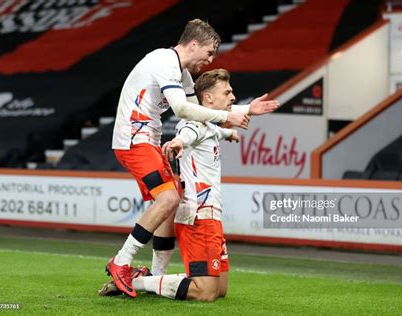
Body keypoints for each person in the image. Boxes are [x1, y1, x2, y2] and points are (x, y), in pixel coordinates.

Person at [108, 19, 279, 298]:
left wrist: (247, 109)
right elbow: (183, 111)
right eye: (209, 53)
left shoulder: (183, 76)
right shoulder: (164, 61)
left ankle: (156, 275)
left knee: (168, 203)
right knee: (169, 200)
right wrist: (227, 118)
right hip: (133, 138)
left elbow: (199, 109)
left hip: (147, 140)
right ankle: (121, 262)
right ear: (193, 44)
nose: (209, 60)